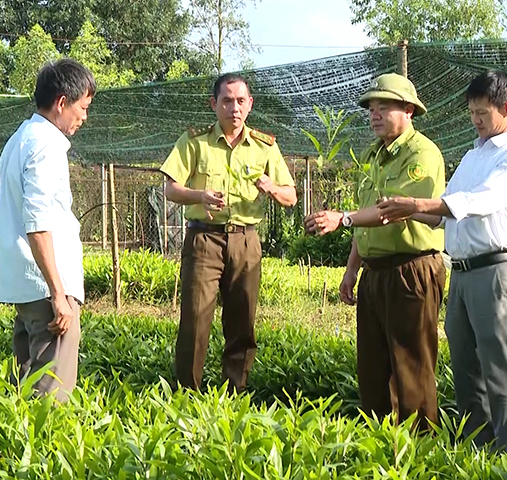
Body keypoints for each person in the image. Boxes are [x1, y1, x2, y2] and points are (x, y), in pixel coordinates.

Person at [377, 70, 507, 453]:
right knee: (465, 367)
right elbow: (444, 211)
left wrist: (416, 203)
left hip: (493, 271)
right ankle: (478, 447)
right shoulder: (471, 155)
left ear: (506, 109)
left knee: (499, 366)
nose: (476, 120)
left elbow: (477, 202)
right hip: (462, 273)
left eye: (482, 113)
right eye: (472, 113)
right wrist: (406, 210)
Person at [304, 73, 446, 430]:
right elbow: (365, 216)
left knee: (411, 366)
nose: (374, 114)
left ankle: (421, 447)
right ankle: (382, 446)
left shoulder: (422, 154)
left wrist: (343, 218)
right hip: (375, 271)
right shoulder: (371, 155)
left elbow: (390, 212)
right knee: (373, 367)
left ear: (409, 110)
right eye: (371, 108)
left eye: (384, 107)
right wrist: (352, 269)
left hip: (411, 269)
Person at [161, 73, 297, 393]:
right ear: (214, 104)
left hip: (245, 240)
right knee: (195, 321)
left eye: (240, 101)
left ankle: (234, 391)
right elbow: (170, 189)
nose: (233, 107)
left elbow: (291, 196)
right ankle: (187, 392)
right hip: (204, 239)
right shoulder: (195, 141)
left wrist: (271, 187)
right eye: (226, 100)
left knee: (242, 321)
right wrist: (200, 196)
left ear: (250, 104)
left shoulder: (265, 147)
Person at [0, 59, 96, 403]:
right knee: (51, 394)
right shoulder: (47, 145)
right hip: (46, 285)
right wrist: (58, 293)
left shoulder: (19, 139)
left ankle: (15, 452)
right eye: (83, 108)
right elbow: (38, 223)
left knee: (26, 383)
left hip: (24, 284)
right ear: (62, 102)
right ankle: (44, 455)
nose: (84, 118)